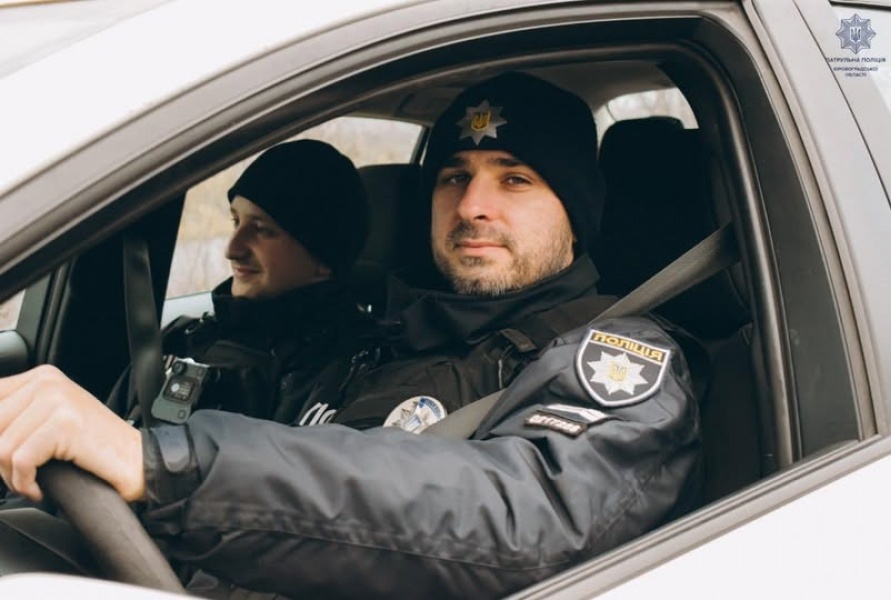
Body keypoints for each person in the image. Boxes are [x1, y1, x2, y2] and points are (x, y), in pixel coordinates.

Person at [0, 73, 702, 600]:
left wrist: (162, 465)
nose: (472, 206)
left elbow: (528, 517)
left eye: (514, 179)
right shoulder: (377, 341)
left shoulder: (615, 357)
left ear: (577, 215)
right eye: (453, 177)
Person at [107, 139, 371, 425]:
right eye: (236, 221)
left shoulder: (355, 374)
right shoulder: (181, 339)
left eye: (261, 230)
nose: (232, 249)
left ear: (323, 257)